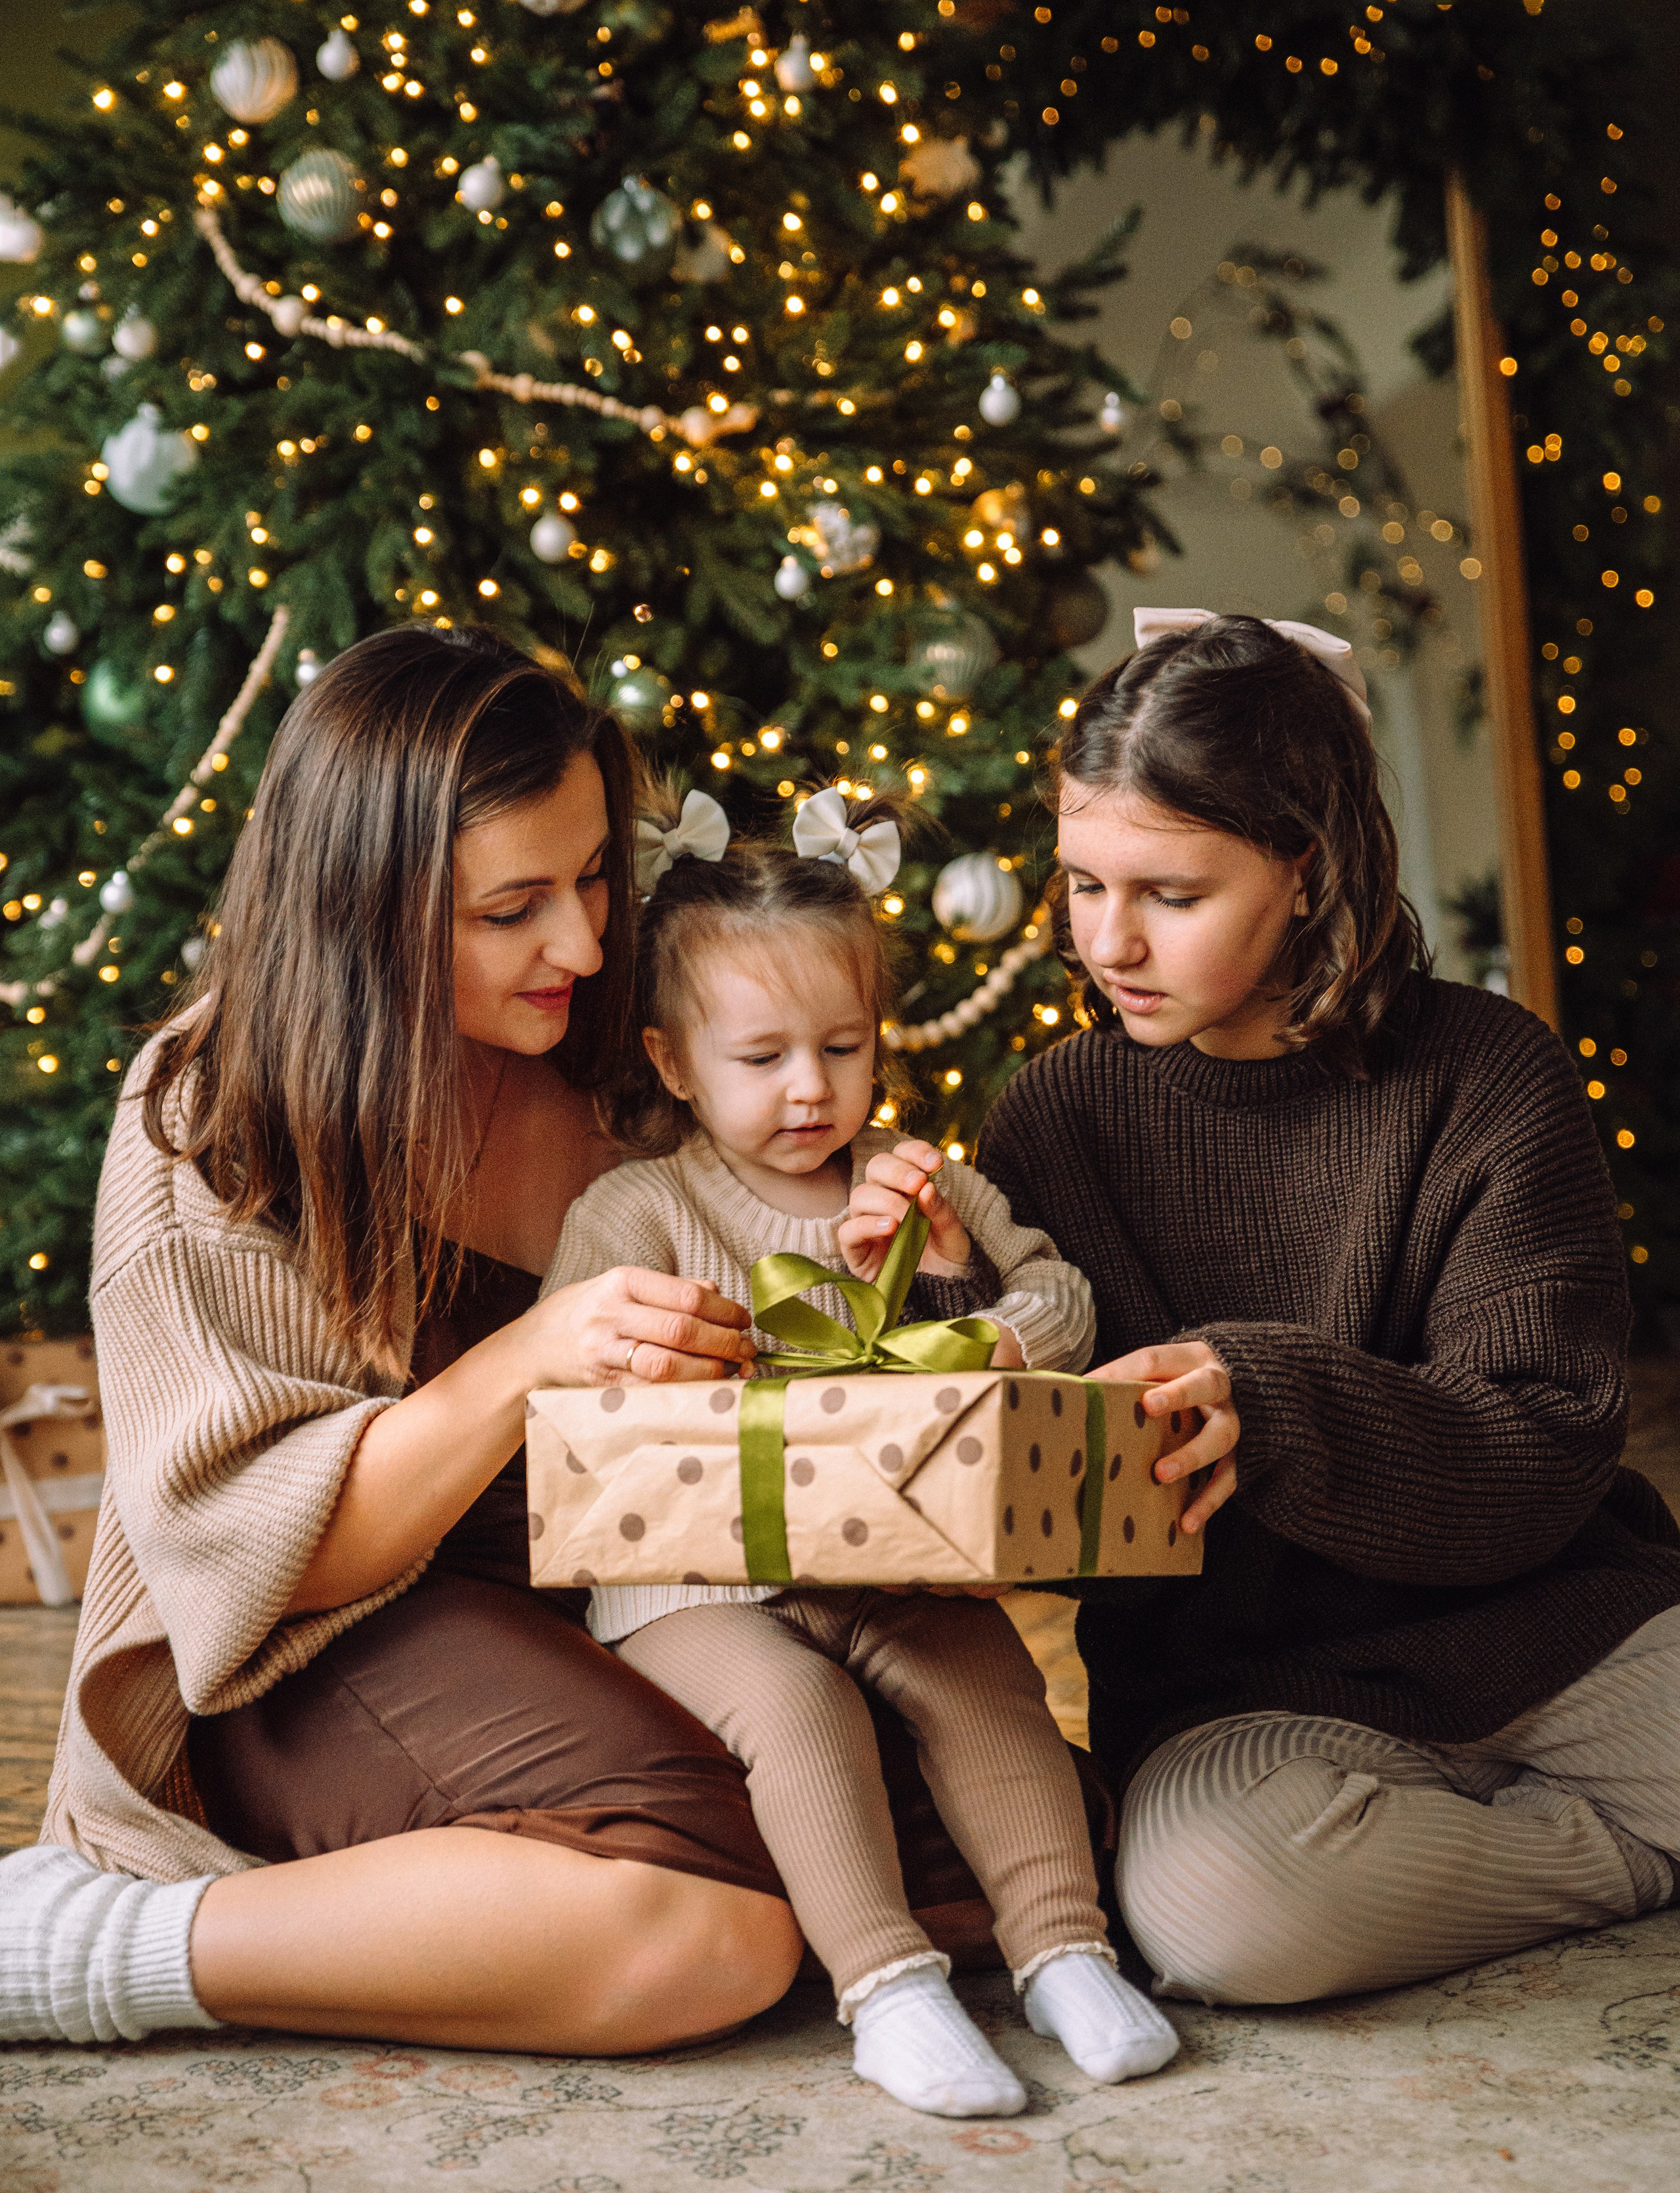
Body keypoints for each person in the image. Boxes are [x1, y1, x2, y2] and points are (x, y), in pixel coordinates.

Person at [1, 625, 814, 2053]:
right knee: (719, 1921)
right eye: (512, 908)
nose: (583, 943)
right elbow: (258, 1563)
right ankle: (102, 1941)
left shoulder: (631, 1061)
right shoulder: (216, 1114)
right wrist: (529, 1355)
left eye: (593, 877)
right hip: (307, 1649)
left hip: (595, 1610)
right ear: (364, 907)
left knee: (947, 1833)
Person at [975, 607, 1680, 2009]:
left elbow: (1548, 1450)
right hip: (1252, 1695)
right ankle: (1623, 1853)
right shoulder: (1052, 1117)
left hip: (1551, 1632)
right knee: (1217, 1914)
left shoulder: (1489, 1073)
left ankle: (1520, 1839)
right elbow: (1058, 1519)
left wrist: (1270, 1402)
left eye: (1170, 894)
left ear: (1305, 868)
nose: (1107, 941)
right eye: (1082, 882)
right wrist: (949, 1302)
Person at [542, 784, 1180, 2116]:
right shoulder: (636, 1208)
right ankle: (888, 1989)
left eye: (842, 1046)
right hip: (690, 1585)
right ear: (672, 1061)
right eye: (761, 1055)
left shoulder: (913, 1180)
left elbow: (1062, 1303)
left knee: (985, 1673)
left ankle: (1065, 1950)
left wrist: (959, 1296)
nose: (810, 1087)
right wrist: (659, 1357)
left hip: (892, 1562)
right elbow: (570, 1394)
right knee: (796, 1704)